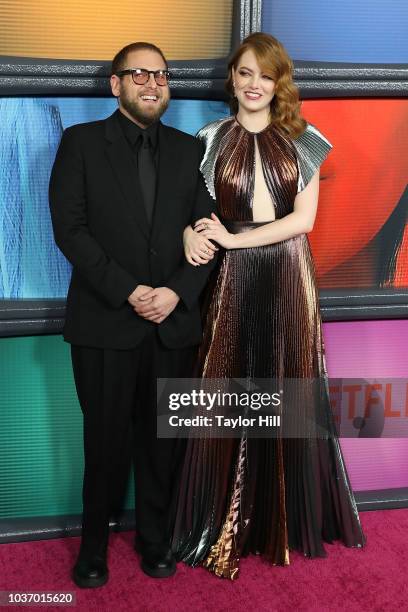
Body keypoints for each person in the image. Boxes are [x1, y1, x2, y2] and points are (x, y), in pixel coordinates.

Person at [172, 32, 366, 579]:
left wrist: (235, 240)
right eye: (245, 73)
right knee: (226, 381)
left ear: (279, 82)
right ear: (231, 78)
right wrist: (194, 233)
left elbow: (303, 222)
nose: (255, 84)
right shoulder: (207, 139)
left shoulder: (305, 138)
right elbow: (193, 213)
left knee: (288, 381)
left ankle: (285, 517)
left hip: (285, 272)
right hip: (229, 278)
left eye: (266, 74)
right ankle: (224, 518)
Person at [49, 41, 217, 587]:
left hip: (172, 325)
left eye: (161, 75)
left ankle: (156, 540)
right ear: (115, 84)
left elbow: (209, 233)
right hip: (104, 321)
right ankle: (92, 548)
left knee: (162, 441)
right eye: (139, 73)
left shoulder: (190, 151)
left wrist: (175, 292)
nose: (152, 82)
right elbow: (70, 230)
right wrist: (130, 291)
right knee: (104, 441)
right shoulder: (80, 144)